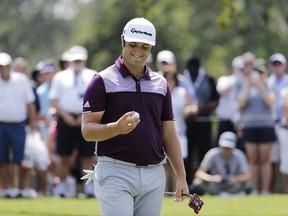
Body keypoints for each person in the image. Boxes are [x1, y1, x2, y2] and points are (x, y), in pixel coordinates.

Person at [81, 17, 189, 216]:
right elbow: (88, 130)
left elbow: (168, 132)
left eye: (145, 47)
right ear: (123, 41)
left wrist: (181, 175)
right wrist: (116, 128)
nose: (138, 52)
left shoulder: (161, 84)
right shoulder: (101, 81)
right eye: (133, 45)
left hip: (154, 173)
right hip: (115, 171)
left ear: (152, 48)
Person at [49, 45, 97, 198]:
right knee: (63, 156)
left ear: (84, 60)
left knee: (87, 156)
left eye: (79, 59)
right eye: (74, 59)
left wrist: (84, 117)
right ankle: (61, 187)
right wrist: (67, 117)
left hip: (87, 118)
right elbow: (54, 100)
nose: (77, 62)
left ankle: (89, 188)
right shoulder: (60, 77)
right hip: (65, 118)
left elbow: (97, 99)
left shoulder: (93, 75)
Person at [0, 52, 37, 198]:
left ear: (10, 66)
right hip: (1, 125)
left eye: (4, 66)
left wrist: (33, 122)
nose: (2, 69)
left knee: (20, 158)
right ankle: (7, 188)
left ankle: (20, 188)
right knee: (2, 159)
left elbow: (29, 104)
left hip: (18, 125)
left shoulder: (21, 80)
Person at [237, 63, 276, 195]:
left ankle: (265, 190)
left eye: (261, 73)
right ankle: (254, 189)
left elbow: (271, 102)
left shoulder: (269, 85)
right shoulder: (246, 86)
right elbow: (241, 103)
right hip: (250, 126)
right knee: (253, 160)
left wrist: (260, 86)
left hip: (266, 126)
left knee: (265, 160)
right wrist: (248, 87)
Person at [183, 56, 219, 184]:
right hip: (186, 123)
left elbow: (215, 101)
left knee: (204, 154)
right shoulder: (183, 79)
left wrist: (201, 108)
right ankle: (186, 183)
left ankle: (204, 183)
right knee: (187, 155)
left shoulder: (208, 79)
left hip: (204, 121)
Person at [192, 132, 251, 196]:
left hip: (233, 186)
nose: (226, 150)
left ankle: (227, 194)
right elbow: (199, 173)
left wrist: (236, 179)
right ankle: (220, 194)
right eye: (224, 147)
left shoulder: (239, 155)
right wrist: (212, 178)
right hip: (215, 185)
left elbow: (247, 175)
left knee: (248, 184)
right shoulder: (212, 154)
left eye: (229, 148)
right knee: (197, 182)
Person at [267, 53, 288, 193]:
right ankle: (271, 190)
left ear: (284, 66)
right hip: (270, 124)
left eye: (279, 65)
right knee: (271, 160)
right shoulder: (268, 82)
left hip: (285, 125)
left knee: (286, 157)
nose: (277, 68)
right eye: (274, 65)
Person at [277, 87, 288, 193]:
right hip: (285, 129)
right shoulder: (284, 92)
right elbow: (285, 111)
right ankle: (286, 190)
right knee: (285, 159)